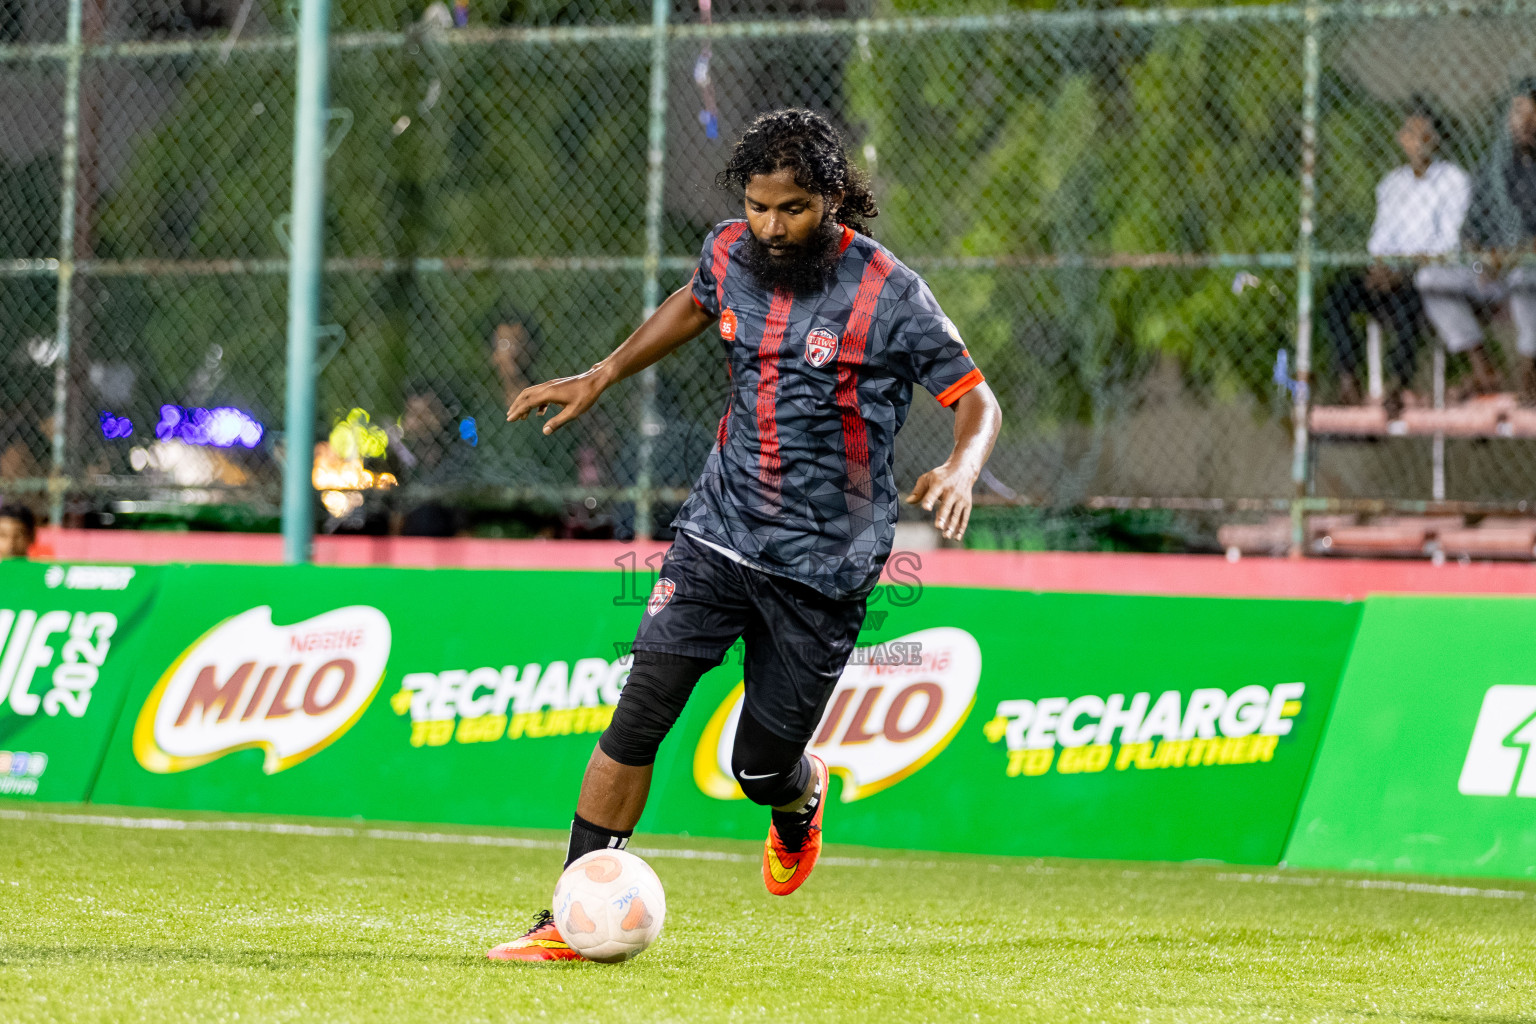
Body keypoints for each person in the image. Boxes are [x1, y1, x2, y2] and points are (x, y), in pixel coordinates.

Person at [488, 108, 1002, 963]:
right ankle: (567, 913)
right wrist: (603, 371)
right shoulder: (728, 251)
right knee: (639, 712)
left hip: (824, 568)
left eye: (793, 208)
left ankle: (799, 796)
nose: (771, 226)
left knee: (759, 767)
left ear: (834, 198)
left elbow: (977, 400)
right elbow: (695, 305)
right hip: (719, 531)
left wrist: (961, 469)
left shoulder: (890, 294)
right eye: (760, 206)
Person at [1321, 101, 1470, 410]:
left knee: (1408, 302)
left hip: (1424, 275)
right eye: (1410, 134)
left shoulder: (1453, 180)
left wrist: (1404, 270)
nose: (1417, 142)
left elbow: (1449, 244)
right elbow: (1380, 241)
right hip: (1389, 273)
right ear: (1401, 139)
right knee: (1337, 297)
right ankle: (1348, 378)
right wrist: (1379, 269)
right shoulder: (1391, 185)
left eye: (1424, 134)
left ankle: (1398, 384)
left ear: (1436, 139)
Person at [1416, 79, 1536, 402]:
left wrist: (1511, 257)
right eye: (1517, 112)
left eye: (1531, 112)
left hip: (1525, 270)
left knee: (1527, 278)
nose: (1524, 121)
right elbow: (1470, 233)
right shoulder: (1492, 169)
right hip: (1492, 271)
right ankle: (1484, 368)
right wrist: (1482, 258)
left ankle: (1530, 377)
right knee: (1431, 279)